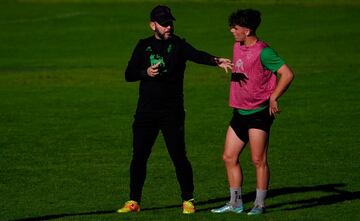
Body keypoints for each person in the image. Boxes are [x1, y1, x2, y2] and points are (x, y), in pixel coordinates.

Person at [117, 5, 232, 214]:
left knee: (178, 156)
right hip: (146, 113)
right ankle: (133, 201)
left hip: (172, 113)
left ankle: (188, 200)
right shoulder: (143, 46)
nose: (168, 26)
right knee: (139, 156)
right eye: (164, 23)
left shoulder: (178, 45)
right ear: (153, 25)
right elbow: (129, 74)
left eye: (170, 22)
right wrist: (146, 72)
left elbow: (197, 55)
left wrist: (216, 61)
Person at [210, 9, 294, 215]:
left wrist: (274, 96)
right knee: (228, 157)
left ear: (247, 31)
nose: (232, 31)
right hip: (239, 111)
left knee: (258, 160)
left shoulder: (264, 51)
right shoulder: (237, 46)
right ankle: (235, 203)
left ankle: (259, 204)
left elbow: (287, 73)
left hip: (259, 112)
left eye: (235, 28)